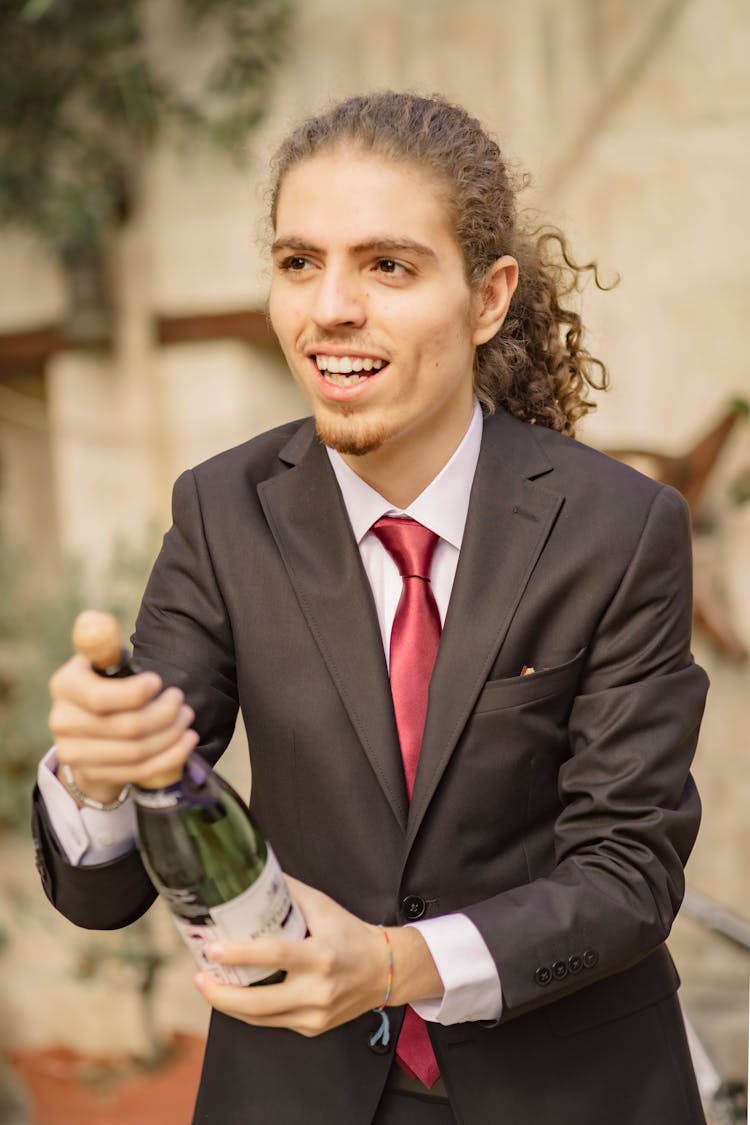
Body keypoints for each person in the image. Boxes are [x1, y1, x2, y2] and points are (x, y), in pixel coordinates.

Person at [33, 92, 709, 1125]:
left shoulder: (619, 530)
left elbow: (627, 876)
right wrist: (96, 767)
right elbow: (105, 886)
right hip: (295, 1095)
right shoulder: (221, 512)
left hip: (572, 1094)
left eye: (387, 265)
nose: (329, 308)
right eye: (300, 261)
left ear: (488, 300)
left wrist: (396, 964)